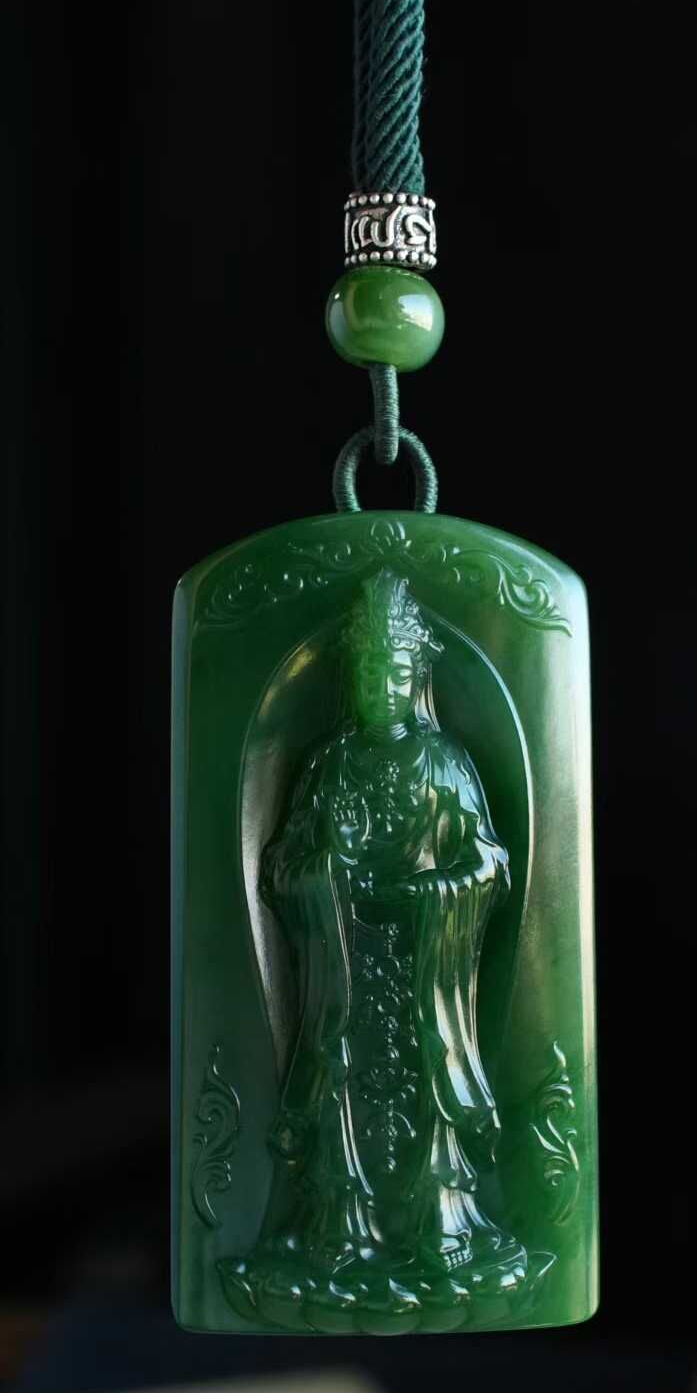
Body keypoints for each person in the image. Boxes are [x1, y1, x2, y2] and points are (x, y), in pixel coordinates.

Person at [221, 568, 530, 1333]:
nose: (379, 688)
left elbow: (488, 863)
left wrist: (433, 895)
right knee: (341, 1095)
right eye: (367, 674)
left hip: (423, 970)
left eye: (392, 673)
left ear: (414, 675)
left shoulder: (444, 763)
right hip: (348, 970)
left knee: (428, 1099)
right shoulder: (330, 766)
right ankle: (338, 1232)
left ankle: (442, 1229)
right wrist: (325, 877)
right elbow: (282, 865)